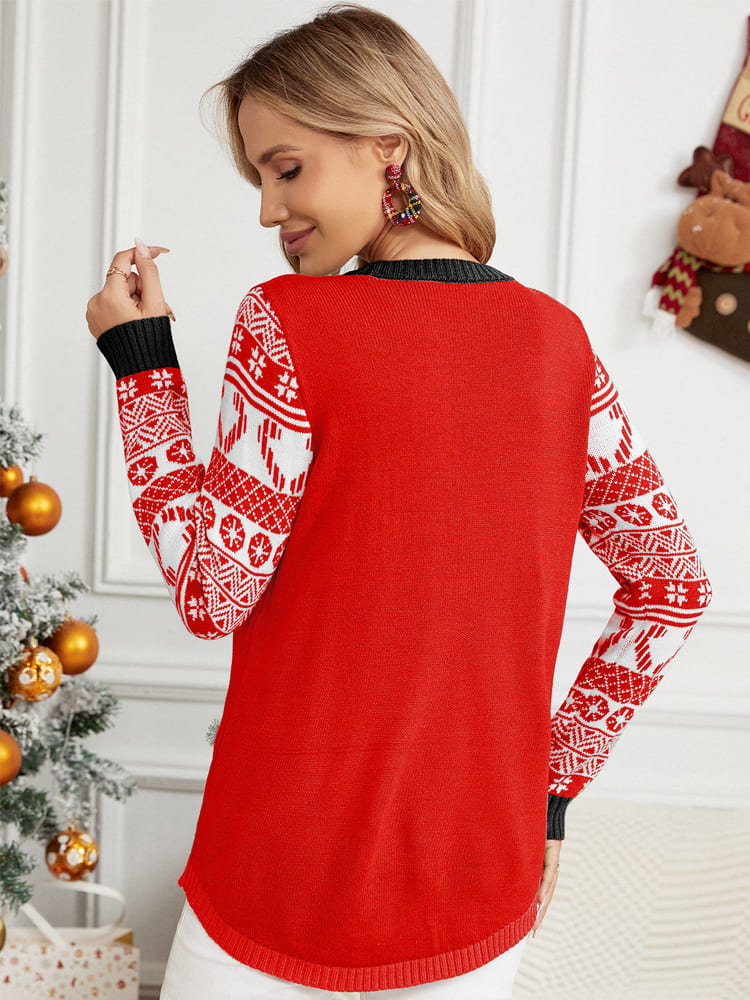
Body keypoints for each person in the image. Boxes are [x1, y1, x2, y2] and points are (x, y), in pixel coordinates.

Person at [85, 4, 712, 998]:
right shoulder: (558, 344)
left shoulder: (286, 322)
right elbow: (671, 587)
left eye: (285, 169)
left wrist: (141, 365)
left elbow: (211, 593)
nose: (267, 211)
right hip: (478, 888)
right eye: (258, 179)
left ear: (390, 146)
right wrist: (550, 791)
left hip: (276, 878)